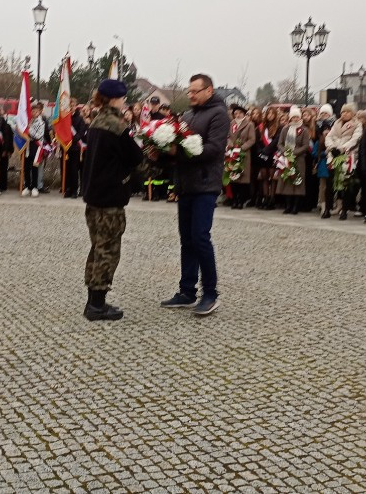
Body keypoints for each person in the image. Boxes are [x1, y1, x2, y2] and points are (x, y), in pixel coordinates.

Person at [160, 74, 229, 316]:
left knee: (200, 237)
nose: (190, 95)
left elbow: (214, 149)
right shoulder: (188, 116)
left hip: (205, 184)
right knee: (186, 239)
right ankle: (186, 290)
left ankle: (210, 292)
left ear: (209, 91)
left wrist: (182, 150)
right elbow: (179, 143)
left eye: (195, 91)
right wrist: (162, 149)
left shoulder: (219, 114)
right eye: (189, 91)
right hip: (186, 185)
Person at [80, 79, 145, 321]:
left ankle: (92, 301)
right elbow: (135, 157)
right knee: (108, 250)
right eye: (123, 97)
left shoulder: (97, 121)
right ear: (116, 98)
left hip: (94, 196)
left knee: (97, 248)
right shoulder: (117, 126)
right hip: (110, 198)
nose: (125, 101)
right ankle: (97, 305)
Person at [325, 105, 363, 220]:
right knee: (330, 184)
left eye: (347, 112)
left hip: (347, 156)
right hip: (333, 155)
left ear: (352, 113)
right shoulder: (336, 123)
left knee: (345, 184)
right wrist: (332, 148)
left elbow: (355, 139)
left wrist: (341, 149)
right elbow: (329, 136)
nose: (344, 114)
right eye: (343, 112)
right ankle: (327, 208)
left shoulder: (357, 124)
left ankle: (344, 210)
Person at [274, 106, 309, 214]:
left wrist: (294, 152)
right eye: (293, 117)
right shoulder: (285, 129)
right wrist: (285, 152)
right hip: (286, 159)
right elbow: (280, 143)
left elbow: (305, 145)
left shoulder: (304, 130)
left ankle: (295, 206)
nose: (295, 119)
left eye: (297, 117)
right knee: (287, 182)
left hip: (298, 159)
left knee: (297, 181)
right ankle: (288, 206)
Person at [226, 102, 256, 209]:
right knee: (234, 177)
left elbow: (252, 139)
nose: (237, 115)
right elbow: (228, 136)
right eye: (235, 113)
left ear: (244, 114)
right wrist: (230, 145)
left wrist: (241, 148)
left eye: (239, 113)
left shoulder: (249, 124)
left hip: (244, 154)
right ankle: (234, 200)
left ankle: (241, 200)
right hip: (233, 153)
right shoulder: (232, 124)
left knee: (242, 178)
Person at [22, 101, 50, 197]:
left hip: (36, 145)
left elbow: (38, 135)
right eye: (32, 111)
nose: (34, 113)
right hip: (27, 145)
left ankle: (34, 187)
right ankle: (27, 186)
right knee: (26, 166)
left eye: (36, 111)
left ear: (39, 112)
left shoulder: (41, 123)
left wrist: (29, 129)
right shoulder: (28, 121)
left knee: (34, 167)